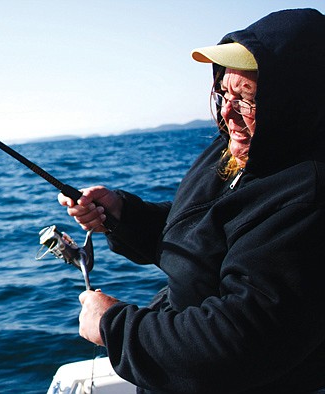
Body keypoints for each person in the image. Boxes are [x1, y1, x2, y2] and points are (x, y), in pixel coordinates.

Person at [58, 9, 325, 393]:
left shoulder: (307, 196)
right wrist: (120, 214)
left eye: (248, 99)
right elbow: (203, 232)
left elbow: (237, 344)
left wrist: (112, 326)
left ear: (295, 102)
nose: (229, 113)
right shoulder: (237, 149)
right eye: (224, 93)